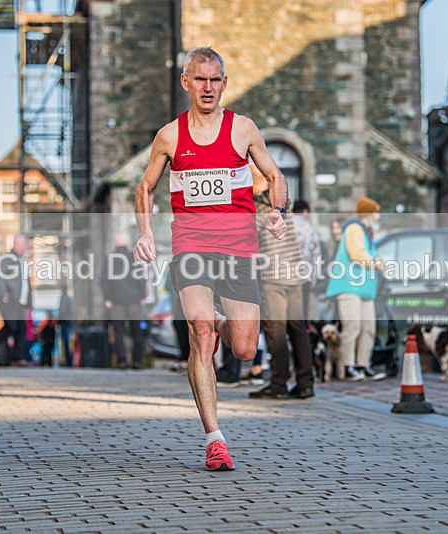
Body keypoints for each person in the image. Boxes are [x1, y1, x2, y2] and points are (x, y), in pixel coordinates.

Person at [133, 46, 287, 471]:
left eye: (214, 79)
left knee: (245, 349)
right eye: (199, 79)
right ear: (186, 82)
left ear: (224, 83)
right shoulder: (169, 136)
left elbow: (275, 175)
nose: (207, 87)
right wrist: (145, 232)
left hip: (238, 249)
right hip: (191, 246)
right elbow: (145, 187)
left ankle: (221, 325)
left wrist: (278, 211)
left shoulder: (243, 129)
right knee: (199, 333)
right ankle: (214, 439)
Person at [249, 170, 314, 400]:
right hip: (295, 277)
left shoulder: (258, 210)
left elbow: (250, 243)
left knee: (275, 332)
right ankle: (306, 384)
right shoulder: (284, 206)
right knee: (298, 330)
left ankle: (278, 385)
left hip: (273, 279)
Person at [325, 197, 386, 381]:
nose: (378, 216)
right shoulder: (354, 228)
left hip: (365, 288)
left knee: (368, 328)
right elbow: (357, 254)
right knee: (352, 327)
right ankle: (347, 366)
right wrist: (377, 263)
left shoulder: (367, 232)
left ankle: (363, 365)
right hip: (349, 285)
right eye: (376, 212)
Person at [0, 234, 33, 366]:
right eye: (24, 244)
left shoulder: (22, 260)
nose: (26, 247)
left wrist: (29, 302)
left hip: (21, 301)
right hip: (9, 300)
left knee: (21, 329)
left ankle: (17, 357)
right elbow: (1, 278)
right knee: (12, 326)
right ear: (16, 244)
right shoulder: (7, 259)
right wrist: (4, 294)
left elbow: (26, 283)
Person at [102, 233, 146, 369]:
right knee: (136, 331)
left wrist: (107, 298)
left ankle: (121, 360)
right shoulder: (134, 257)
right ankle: (137, 361)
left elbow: (103, 280)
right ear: (127, 244)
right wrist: (142, 296)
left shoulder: (109, 258)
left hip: (116, 301)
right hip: (133, 300)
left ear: (115, 243)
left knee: (118, 331)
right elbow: (140, 278)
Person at [292, 199, 325, 321]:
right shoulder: (311, 230)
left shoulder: (284, 226)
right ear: (306, 212)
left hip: (284, 277)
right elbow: (317, 256)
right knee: (301, 316)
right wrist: (314, 279)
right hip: (304, 277)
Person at [58, 280, 74, 367]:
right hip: (65, 323)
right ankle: (67, 361)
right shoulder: (65, 297)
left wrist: (60, 320)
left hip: (66, 323)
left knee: (66, 342)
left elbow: (63, 311)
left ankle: (69, 361)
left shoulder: (65, 298)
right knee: (65, 343)